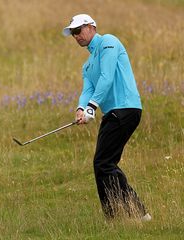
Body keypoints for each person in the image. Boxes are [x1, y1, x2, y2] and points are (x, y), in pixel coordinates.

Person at [62, 14, 151, 221]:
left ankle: (126, 214)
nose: (76, 36)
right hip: (112, 113)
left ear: (92, 27)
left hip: (126, 108)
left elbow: (107, 76)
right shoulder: (87, 64)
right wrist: (80, 108)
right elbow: (88, 89)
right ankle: (125, 214)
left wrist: (92, 107)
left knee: (104, 163)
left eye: (79, 30)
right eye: (73, 33)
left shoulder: (109, 42)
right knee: (104, 163)